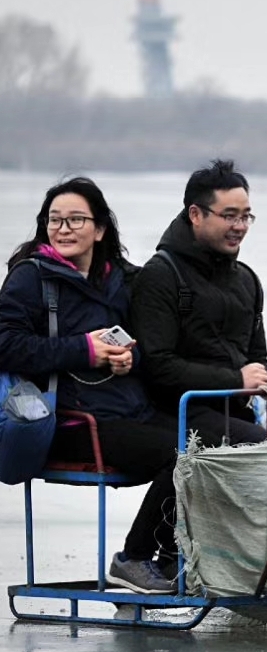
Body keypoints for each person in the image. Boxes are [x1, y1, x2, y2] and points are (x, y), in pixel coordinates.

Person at [0, 177, 178, 593]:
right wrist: (84, 350)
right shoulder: (30, 278)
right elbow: (5, 345)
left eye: (76, 219)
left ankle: (172, 559)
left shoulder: (124, 280)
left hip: (128, 409)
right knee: (183, 455)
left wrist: (129, 359)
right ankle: (134, 558)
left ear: (99, 229)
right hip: (70, 422)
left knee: (208, 445)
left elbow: (150, 344)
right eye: (54, 220)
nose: (63, 228)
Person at [130, 158, 267, 446]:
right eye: (229, 216)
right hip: (178, 409)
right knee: (254, 441)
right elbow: (158, 367)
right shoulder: (160, 275)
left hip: (237, 407)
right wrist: (235, 381)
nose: (240, 226)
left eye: (246, 216)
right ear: (196, 214)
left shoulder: (247, 280)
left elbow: (256, 358)